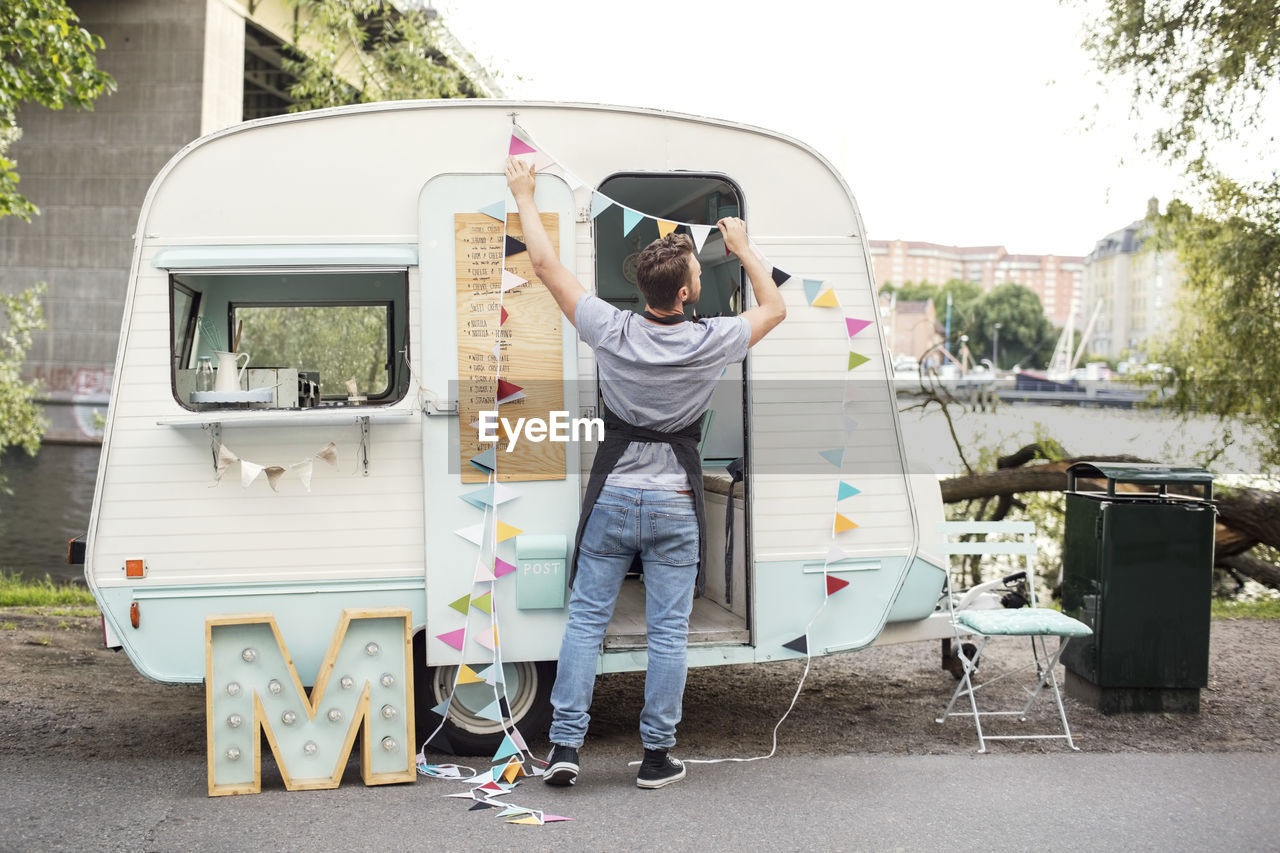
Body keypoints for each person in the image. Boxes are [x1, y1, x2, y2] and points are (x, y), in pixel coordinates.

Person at [503, 157, 786, 789]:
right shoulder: (711, 339)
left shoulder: (610, 327)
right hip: (676, 504)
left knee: (584, 620)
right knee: (666, 634)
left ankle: (566, 751)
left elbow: (546, 267)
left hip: (613, 498)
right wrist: (742, 246)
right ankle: (656, 757)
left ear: (643, 289)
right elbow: (775, 308)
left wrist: (523, 191)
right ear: (686, 293)